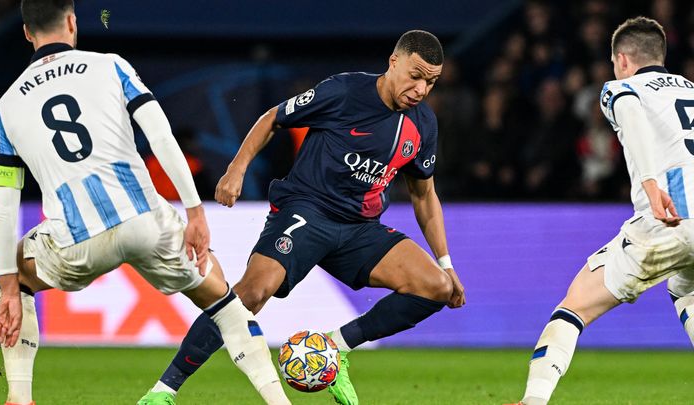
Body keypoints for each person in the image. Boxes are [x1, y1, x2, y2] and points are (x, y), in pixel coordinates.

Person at [140, 30, 466, 405]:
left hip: (361, 230)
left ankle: (335, 348)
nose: (422, 88)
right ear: (393, 62)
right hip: (306, 212)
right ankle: (164, 391)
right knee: (250, 295)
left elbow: (424, 194)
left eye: (431, 81)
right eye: (416, 75)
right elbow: (272, 118)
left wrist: (446, 262)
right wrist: (236, 169)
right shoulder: (343, 91)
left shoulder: (423, 125)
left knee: (437, 286)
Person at [0, 1, 290, 404]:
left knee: (13, 280)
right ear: (72, 22)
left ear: (26, 33)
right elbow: (162, 136)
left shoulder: (6, 107)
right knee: (223, 301)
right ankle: (278, 401)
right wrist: (194, 211)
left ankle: (18, 396)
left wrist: (9, 285)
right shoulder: (110, 65)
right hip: (145, 223)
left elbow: (6, 205)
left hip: (74, 241)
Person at [509, 17, 694, 405]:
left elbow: (629, 111)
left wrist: (649, 182)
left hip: (668, 219)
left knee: (573, 307)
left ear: (622, 60)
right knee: (685, 287)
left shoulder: (620, 88)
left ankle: (533, 401)